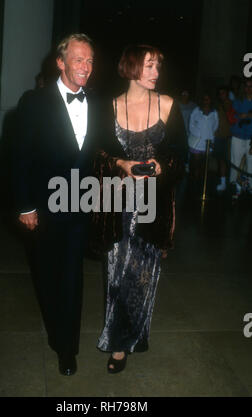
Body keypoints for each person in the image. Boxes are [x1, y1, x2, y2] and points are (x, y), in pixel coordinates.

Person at [12, 33, 118, 376]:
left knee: (71, 277)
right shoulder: (34, 102)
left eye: (90, 61)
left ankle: (65, 347)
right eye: (78, 60)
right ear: (60, 62)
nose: (86, 67)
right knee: (47, 276)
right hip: (43, 207)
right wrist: (25, 205)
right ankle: (57, 329)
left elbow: (109, 149)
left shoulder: (99, 102)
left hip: (80, 206)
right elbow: (19, 157)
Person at [92, 44, 186, 373]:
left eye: (158, 66)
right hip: (117, 204)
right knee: (116, 277)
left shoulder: (169, 105)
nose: (156, 73)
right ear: (131, 67)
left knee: (143, 279)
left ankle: (132, 335)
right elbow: (97, 153)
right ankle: (118, 345)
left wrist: (161, 166)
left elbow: (181, 157)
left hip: (153, 208)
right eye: (149, 66)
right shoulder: (110, 106)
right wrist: (121, 162)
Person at [188, 93, 218, 190]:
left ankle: (202, 184)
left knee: (205, 165)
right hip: (197, 142)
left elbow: (216, 126)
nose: (206, 101)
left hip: (208, 142)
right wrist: (198, 133)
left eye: (208, 99)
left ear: (210, 100)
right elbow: (191, 125)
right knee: (196, 163)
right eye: (204, 99)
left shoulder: (215, 113)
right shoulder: (196, 111)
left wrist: (210, 135)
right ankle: (195, 184)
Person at [229, 78, 252, 198]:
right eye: (247, 86)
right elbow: (232, 117)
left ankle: (250, 189)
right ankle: (234, 189)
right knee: (235, 164)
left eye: (251, 86)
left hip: (251, 139)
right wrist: (243, 116)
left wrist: (246, 115)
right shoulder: (238, 101)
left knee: (251, 165)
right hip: (237, 137)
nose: (249, 89)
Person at [214, 86, 232, 192]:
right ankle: (223, 181)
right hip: (219, 136)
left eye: (223, 93)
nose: (221, 95)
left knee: (226, 161)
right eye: (220, 93)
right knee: (220, 160)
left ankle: (225, 183)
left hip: (227, 137)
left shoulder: (230, 104)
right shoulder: (218, 105)